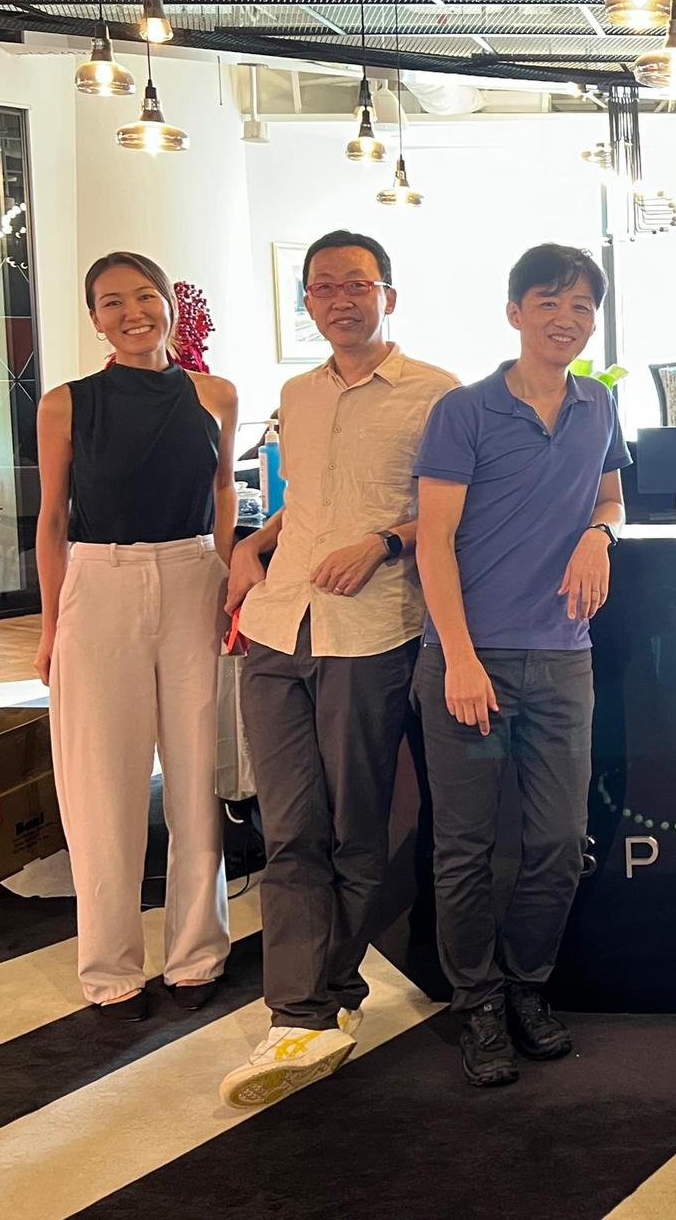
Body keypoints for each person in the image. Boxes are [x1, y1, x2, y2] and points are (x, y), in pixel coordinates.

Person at [216, 231, 459, 1108]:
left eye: (356, 283)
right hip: (278, 626)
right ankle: (300, 1010)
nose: (340, 299)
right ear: (309, 302)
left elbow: (456, 513)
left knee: (355, 828)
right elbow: (305, 501)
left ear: (387, 293)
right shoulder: (298, 393)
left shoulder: (438, 394)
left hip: (370, 629)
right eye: (323, 287)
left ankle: (331, 993)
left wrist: (384, 542)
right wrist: (254, 543)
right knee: (290, 827)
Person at [413, 243, 628, 1088]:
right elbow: (433, 541)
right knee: (465, 847)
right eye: (549, 302)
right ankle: (476, 1002)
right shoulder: (464, 411)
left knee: (560, 840)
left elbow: (610, 495)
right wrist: (460, 658)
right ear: (515, 312)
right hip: (470, 659)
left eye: (581, 307)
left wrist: (599, 533)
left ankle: (526, 985)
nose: (565, 319)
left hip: (563, 659)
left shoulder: (597, 406)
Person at [35, 251, 239, 1021]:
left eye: (146, 296)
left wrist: (227, 586)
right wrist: (51, 625)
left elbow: (223, 490)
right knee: (102, 783)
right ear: (95, 318)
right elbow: (51, 520)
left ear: (169, 306)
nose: (133, 313)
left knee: (195, 775)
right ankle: (110, 969)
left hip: (193, 575)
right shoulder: (66, 404)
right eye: (113, 301)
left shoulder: (215, 394)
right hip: (100, 581)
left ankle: (196, 954)